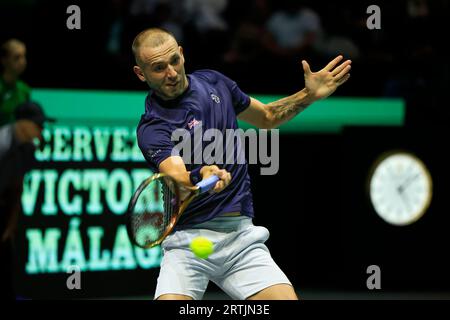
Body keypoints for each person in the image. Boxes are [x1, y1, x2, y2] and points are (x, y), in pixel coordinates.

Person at [132, 28, 351, 300]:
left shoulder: (215, 83)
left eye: (174, 61)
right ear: (141, 74)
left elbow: (268, 117)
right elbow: (176, 174)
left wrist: (309, 95)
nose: (172, 73)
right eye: (158, 68)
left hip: (240, 239)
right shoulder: (153, 127)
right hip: (187, 244)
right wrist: (202, 173)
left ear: (182, 54)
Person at [0, 101, 55, 299]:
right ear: (22, 124)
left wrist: (11, 226)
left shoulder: (27, 149)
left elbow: (18, 186)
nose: (41, 132)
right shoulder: (2, 143)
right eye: (38, 125)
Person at [1, 39, 30, 126]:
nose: (22, 61)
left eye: (23, 56)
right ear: (4, 60)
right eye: (17, 57)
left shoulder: (25, 89)